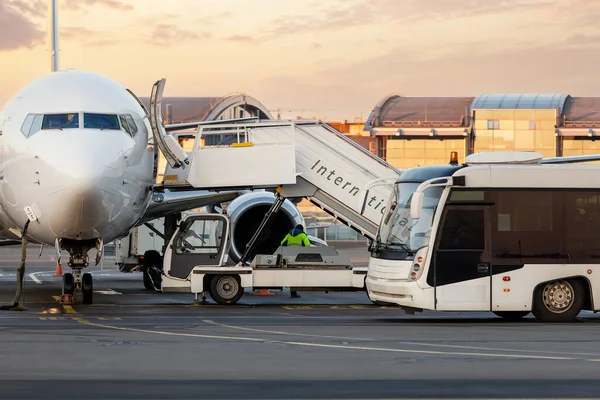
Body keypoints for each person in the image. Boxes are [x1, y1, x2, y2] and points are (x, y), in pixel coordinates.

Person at [280, 224, 311, 298]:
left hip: (289, 257)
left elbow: (282, 243)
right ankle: (294, 293)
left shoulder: (289, 235)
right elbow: (307, 245)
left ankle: (293, 292)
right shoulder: (302, 235)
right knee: (297, 275)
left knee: (292, 275)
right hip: (299, 258)